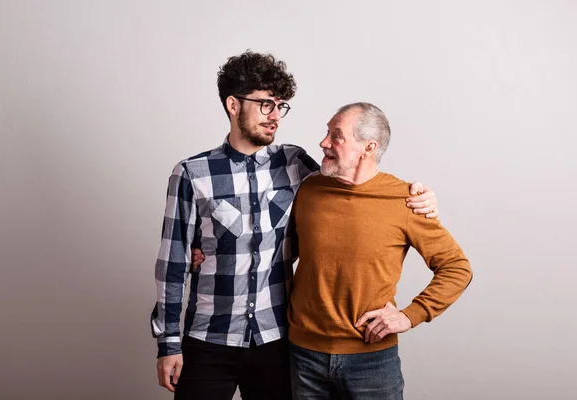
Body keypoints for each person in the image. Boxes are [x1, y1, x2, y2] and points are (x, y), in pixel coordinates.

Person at [150, 51, 438, 400]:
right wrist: (168, 343)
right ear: (233, 105)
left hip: (278, 341)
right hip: (209, 338)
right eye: (265, 104)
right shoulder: (192, 174)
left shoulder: (295, 163)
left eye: (280, 106)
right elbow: (173, 263)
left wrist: (416, 195)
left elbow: (350, 184)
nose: (275, 116)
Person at [287, 102, 472, 400]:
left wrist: (411, 315)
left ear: (368, 147)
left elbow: (456, 267)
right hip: (304, 357)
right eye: (326, 133)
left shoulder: (405, 199)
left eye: (337, 136)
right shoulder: (307, 189)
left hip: (371, 360)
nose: (323, 143)